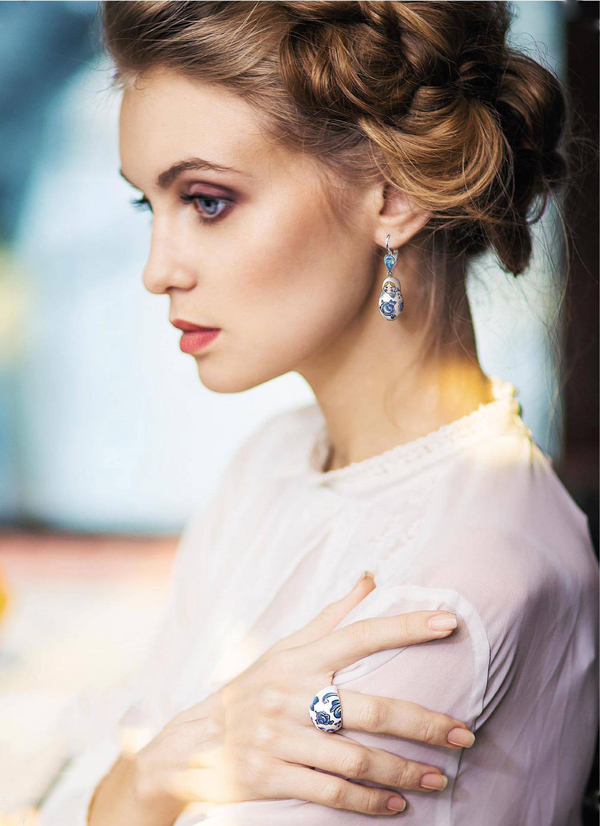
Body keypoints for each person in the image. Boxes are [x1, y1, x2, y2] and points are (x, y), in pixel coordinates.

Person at [38, 2, 598, 824]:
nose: (158, 271)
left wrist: (144, 782)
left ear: (393, 197)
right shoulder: (275, 462)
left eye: (208, 201)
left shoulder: (458, 583)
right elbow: (102, 759)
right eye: (146, 206)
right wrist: (156, 776)